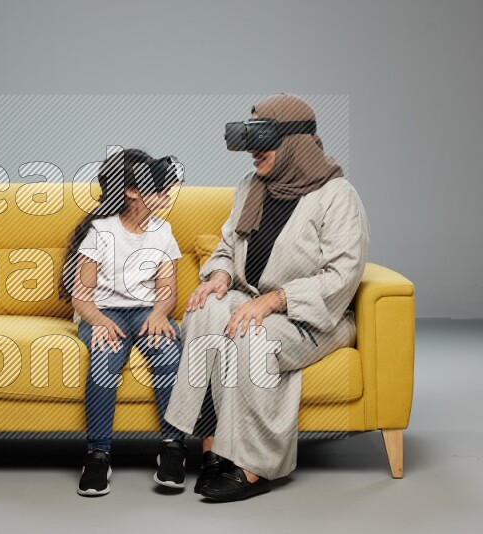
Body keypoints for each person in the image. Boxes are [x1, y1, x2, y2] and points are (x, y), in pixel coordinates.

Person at [164, 93, 371, 502]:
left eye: (263, 139)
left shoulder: (337, 195)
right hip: (253, 298)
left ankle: (256, 465)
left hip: (312, 317)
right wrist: (220, 275)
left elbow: (342, 277)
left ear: (294, 141)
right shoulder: (251, 187)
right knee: (205, 311)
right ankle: (210, 450)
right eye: (250, 137)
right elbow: (227, 245)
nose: (253, 152)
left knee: (248, 336)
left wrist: (274, 301)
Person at [59, 148, 188, 496]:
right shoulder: (101, 232)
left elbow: (167, 290)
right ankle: (97, 454)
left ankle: (173, 448)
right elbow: (81, 296)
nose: (166, 189)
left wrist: (161, 313)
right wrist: (98, 320)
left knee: (168, 355)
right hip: (102, 310)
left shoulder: (163, 231)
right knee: (104, 359)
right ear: (132, 191)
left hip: (146, 309)